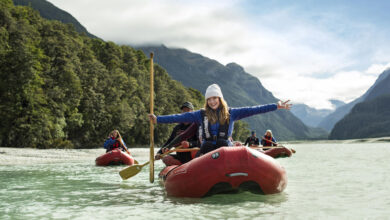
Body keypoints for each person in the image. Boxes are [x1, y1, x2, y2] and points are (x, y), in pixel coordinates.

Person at [149, 83, 291, 156]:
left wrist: (275, 106)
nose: (212, 102)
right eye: (209, 99)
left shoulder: (232, 113)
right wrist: (158, 119)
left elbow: (254, 109)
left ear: (220, 99)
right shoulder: (200, 114)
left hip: (225, 149)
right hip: (207, 149)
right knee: (204, 151)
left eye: (214, 98)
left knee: (228, 146)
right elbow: (179, 117)